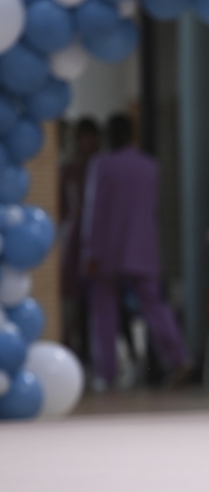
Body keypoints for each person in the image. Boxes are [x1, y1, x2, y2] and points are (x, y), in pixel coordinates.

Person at [82, 113, 190, 390]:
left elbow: (96, 211)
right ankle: (178, 358)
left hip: (108, 248)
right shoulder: (149, 166)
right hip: (143, 247)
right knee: (155, 305)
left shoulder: (102, 165)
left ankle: (107, 374)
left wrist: (90, 252)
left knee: (104, 310)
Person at [58, 117, 101, 361]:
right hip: (74, 240)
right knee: (71, 302)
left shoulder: (104, 167)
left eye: (92, 136)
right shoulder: (70, 170)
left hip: (99, 240)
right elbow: (62, 209)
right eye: (85, 136)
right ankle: (71, 352)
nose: (89, 142)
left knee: (100, 302)